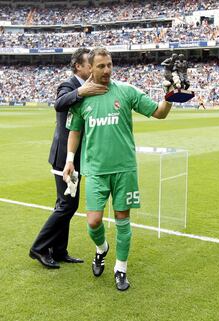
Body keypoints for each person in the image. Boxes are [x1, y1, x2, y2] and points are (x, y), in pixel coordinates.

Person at [63, 47, 173, 291]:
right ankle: (102, 249)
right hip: (95, 170)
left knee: (123, 220)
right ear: (90, 68)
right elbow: (75, 131)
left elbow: (159, 113)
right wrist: (70, 159)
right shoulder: (82, 98)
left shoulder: (126, 91)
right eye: (101, 66)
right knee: (93, 222)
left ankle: (120, 268)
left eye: (109, 65)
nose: (106, 70)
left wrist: (170, 96)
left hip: (124, 169)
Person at [29, 48, 108, 269]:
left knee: (66, 205)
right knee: (66, 205)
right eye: (88, 64)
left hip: (75, 159)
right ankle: (39, 248)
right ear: (78, 67)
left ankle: (59, 250)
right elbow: (60, 103)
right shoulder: (69, 85)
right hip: (63, 158)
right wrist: (83, 91)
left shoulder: (86, 87)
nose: (92, 67)